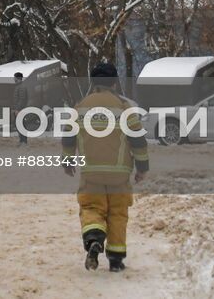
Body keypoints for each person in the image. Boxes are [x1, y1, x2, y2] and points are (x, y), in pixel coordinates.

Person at [61, 62, 149, 273]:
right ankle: (116, 259)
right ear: (114, 83)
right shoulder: (125, 108)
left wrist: (67, 161)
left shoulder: (80, 107)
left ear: (93, 82)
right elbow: (138, 141)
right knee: (118, 214)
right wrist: (142, 167)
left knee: (91, 207)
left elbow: (68, 137)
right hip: (120, 173)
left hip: (91, 172)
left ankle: (94, 238)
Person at [12, 72, 30, 147]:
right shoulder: (18, 86)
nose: (14, 79)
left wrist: (17, 109)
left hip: (20, 110)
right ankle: (22, 141)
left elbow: (22, 99)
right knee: (19, 125)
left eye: (15, 77)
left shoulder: (21, 87)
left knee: (21, 125)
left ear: (18, 78)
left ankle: (24, 141)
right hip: (18, 109)